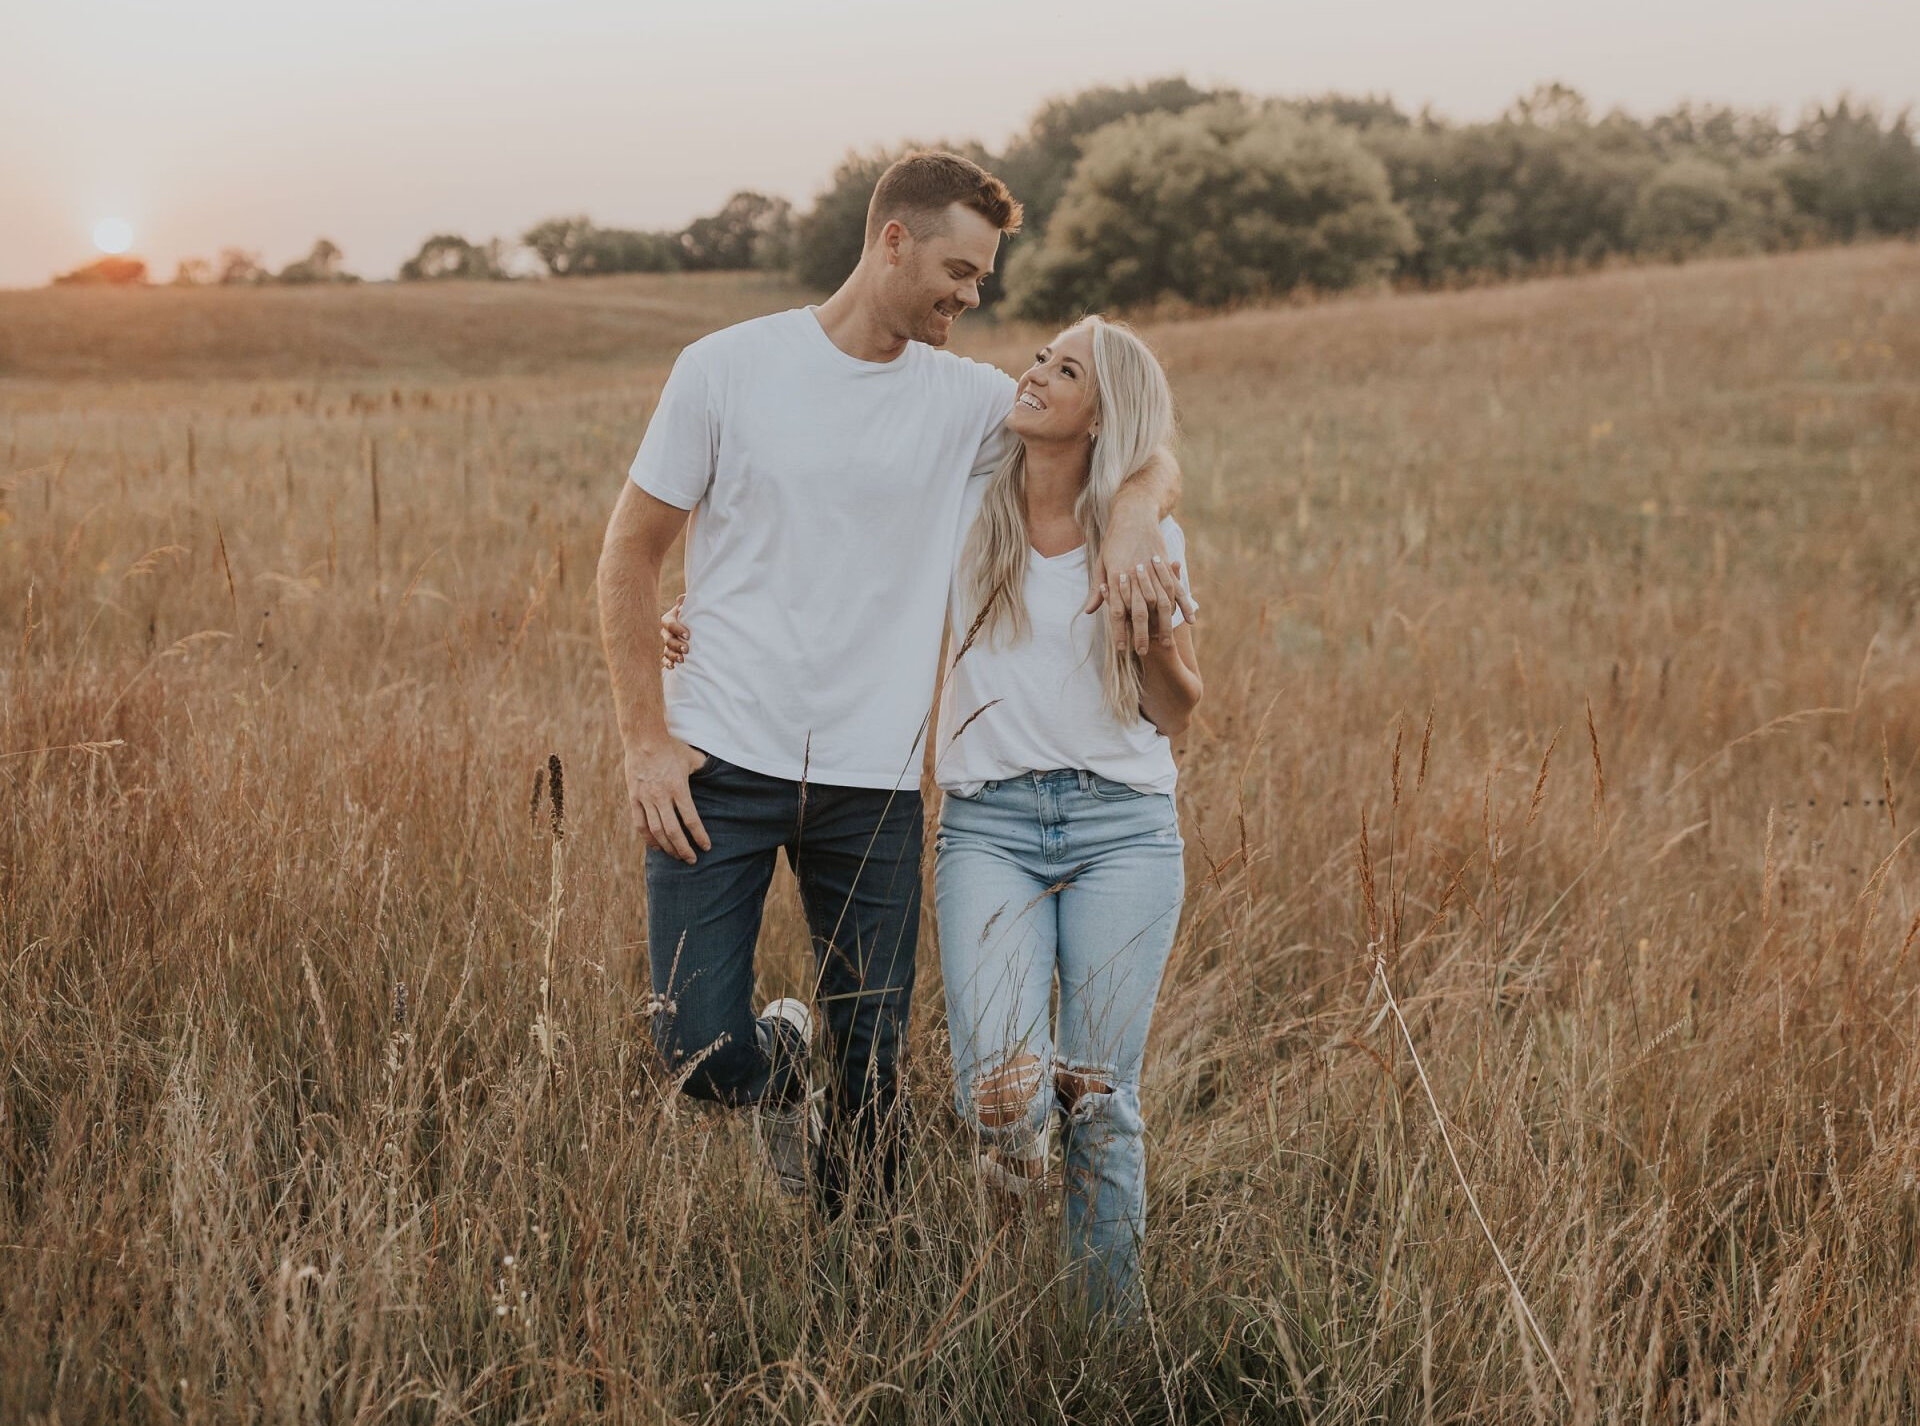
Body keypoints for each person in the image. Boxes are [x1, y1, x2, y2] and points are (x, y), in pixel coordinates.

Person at [596, 151, 1186, 1218]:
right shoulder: (724, 367)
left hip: (873, 787)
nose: (974, 295)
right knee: (697, 1048)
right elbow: (628, 554)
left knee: (871, 1075)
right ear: (894, 240)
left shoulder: (970, 403)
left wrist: (1140, 513)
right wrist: (646, 739)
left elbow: (1130, 433)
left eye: (985, 279)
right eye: (960, 270)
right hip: (715, 762)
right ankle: (776, 1063)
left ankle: (856, 1270)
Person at [664, 317, 1202, 1317]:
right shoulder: (968, 505)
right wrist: (711, 624)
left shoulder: (1147, 538)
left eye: (1063, 370)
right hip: (988, 825)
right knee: (997, 1098)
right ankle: (1005, 1309)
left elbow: (1177, 712)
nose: (1033, 372)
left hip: (1123, 825)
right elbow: (837, 561)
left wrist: (1151, 629)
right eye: (1040, 355)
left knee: (1099, 1104)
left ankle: (1099, 1337)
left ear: (1104, 411)